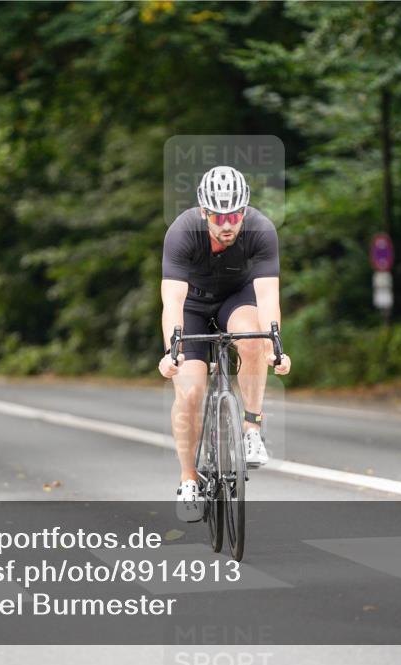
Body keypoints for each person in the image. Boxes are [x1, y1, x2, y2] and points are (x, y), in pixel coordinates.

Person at [158, 165, 291, 522]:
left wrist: (275, 347)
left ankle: (251, 429)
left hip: (237, 298)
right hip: (192, 305)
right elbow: (172, 301)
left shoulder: (261, 230)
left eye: (235, 215)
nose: (228, 224)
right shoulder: (182, 232)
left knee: (253, 340)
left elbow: (268, 297)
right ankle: (188, 479)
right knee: (190, 391)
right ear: (204, 212)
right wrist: (172, 352)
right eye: (219, 217)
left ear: (244, 211)